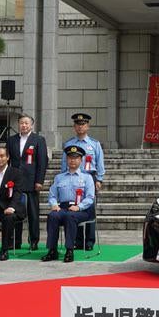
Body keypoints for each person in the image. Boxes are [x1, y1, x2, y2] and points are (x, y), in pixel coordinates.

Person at [42, 145, 95, 263]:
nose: (73, 160)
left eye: (76, 158)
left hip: (81, 210)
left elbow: (90, 197)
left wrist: (79, 206)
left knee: (70, 216)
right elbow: (52, 195)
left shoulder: (87, 178)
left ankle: (69, 250)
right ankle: (52, 250)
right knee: (52, 216)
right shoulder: (59, 177)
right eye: (70, 157)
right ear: (66, 159)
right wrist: (54, 204)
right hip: (63, 208)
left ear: (81, 160)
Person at [61, 112, 105, 250]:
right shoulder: (69, 144)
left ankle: (90, 241)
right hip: (73, 177)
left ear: (88, 126)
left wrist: (99, 179)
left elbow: (100, 162)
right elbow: (64, 163)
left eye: (83, 124)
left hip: (90, 178)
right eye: (78, 124)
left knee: (89, 209)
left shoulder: (94, 144)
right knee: (74, 208)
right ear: (74, 126)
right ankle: (77, 240)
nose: (80, 127)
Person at [6, 113, 48, 250]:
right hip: (15, 183)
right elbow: (8, 161)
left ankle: (34, 240)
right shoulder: (11, 140)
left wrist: (39, 180)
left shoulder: (38, 140)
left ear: (31, 125)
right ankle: (16, 241)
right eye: (21, 123)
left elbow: (42, 162)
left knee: (33, 213)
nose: (23, 125)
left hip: (31, 182)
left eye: (26, 123)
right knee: (15, 212)